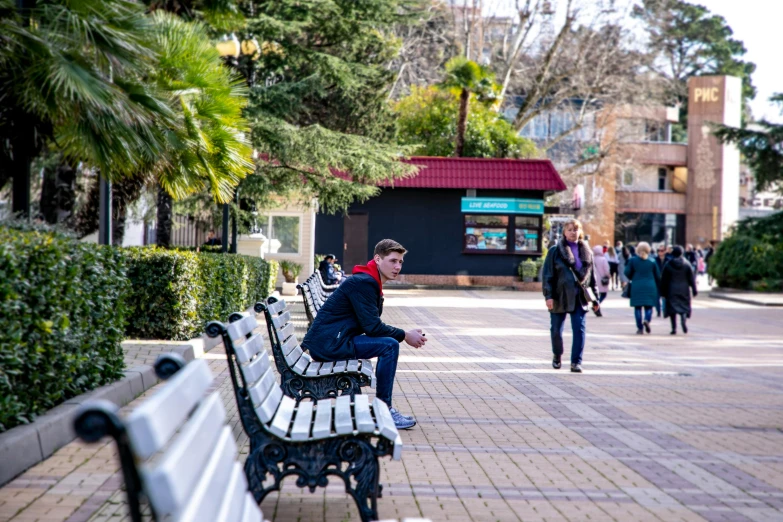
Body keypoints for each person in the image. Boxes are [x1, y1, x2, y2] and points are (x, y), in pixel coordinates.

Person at [301, 239, 426, 429]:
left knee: (388, 343)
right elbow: (373, 327)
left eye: (400, 262)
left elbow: (371, 324)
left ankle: (383, 409)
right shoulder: (364, 283)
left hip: (332, 341)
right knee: (389, 346)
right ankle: (384, 410)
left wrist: (405, 333)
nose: (397, 266)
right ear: (377, 259)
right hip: (329, 345)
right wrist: (405, 335)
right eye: (393, 261)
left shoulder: (368, 280)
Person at [542, 219, 600, 373]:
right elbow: (548, 275)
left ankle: (576, 362)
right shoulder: (555, 251)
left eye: (576, 229)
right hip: (559, 296)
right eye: (569, 229)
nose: (573, 232)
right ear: (564, 232)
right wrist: (548, 296)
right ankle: (557, 355)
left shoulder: (587, 251)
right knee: (556, 330)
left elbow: (592, 277)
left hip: (579, 297)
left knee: (579, 330)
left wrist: (595, 299)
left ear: (580, 231)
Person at [624, 242, 661, 335]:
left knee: (637, 308)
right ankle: (647, 320)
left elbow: (626, 272)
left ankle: (640, 328)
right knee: (649, 307)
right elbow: (658, 276)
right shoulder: (652, 261)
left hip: (637, 285)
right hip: (650, 286)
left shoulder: (633, 260)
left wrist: (632, 276)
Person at [661, 246, 698, 334]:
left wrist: (662, 291)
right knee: (684, 307)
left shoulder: (668, 264)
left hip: (671, 289)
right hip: (684, 289)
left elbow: (664, 279)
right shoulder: (687, 264)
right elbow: (691, 279)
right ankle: (683, 320)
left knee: (672, 309)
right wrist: (694, 290)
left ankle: (674, 328)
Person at [653, 245, 670, 317]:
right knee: (656, 298)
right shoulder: (654, 260)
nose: (660, 252)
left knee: (664, 298)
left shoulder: (668, 260)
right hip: (656, 281)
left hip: (665, 281)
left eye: (662, 251)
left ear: (665, 251)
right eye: (658, 251)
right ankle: (658, 311)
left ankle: (664, 311)